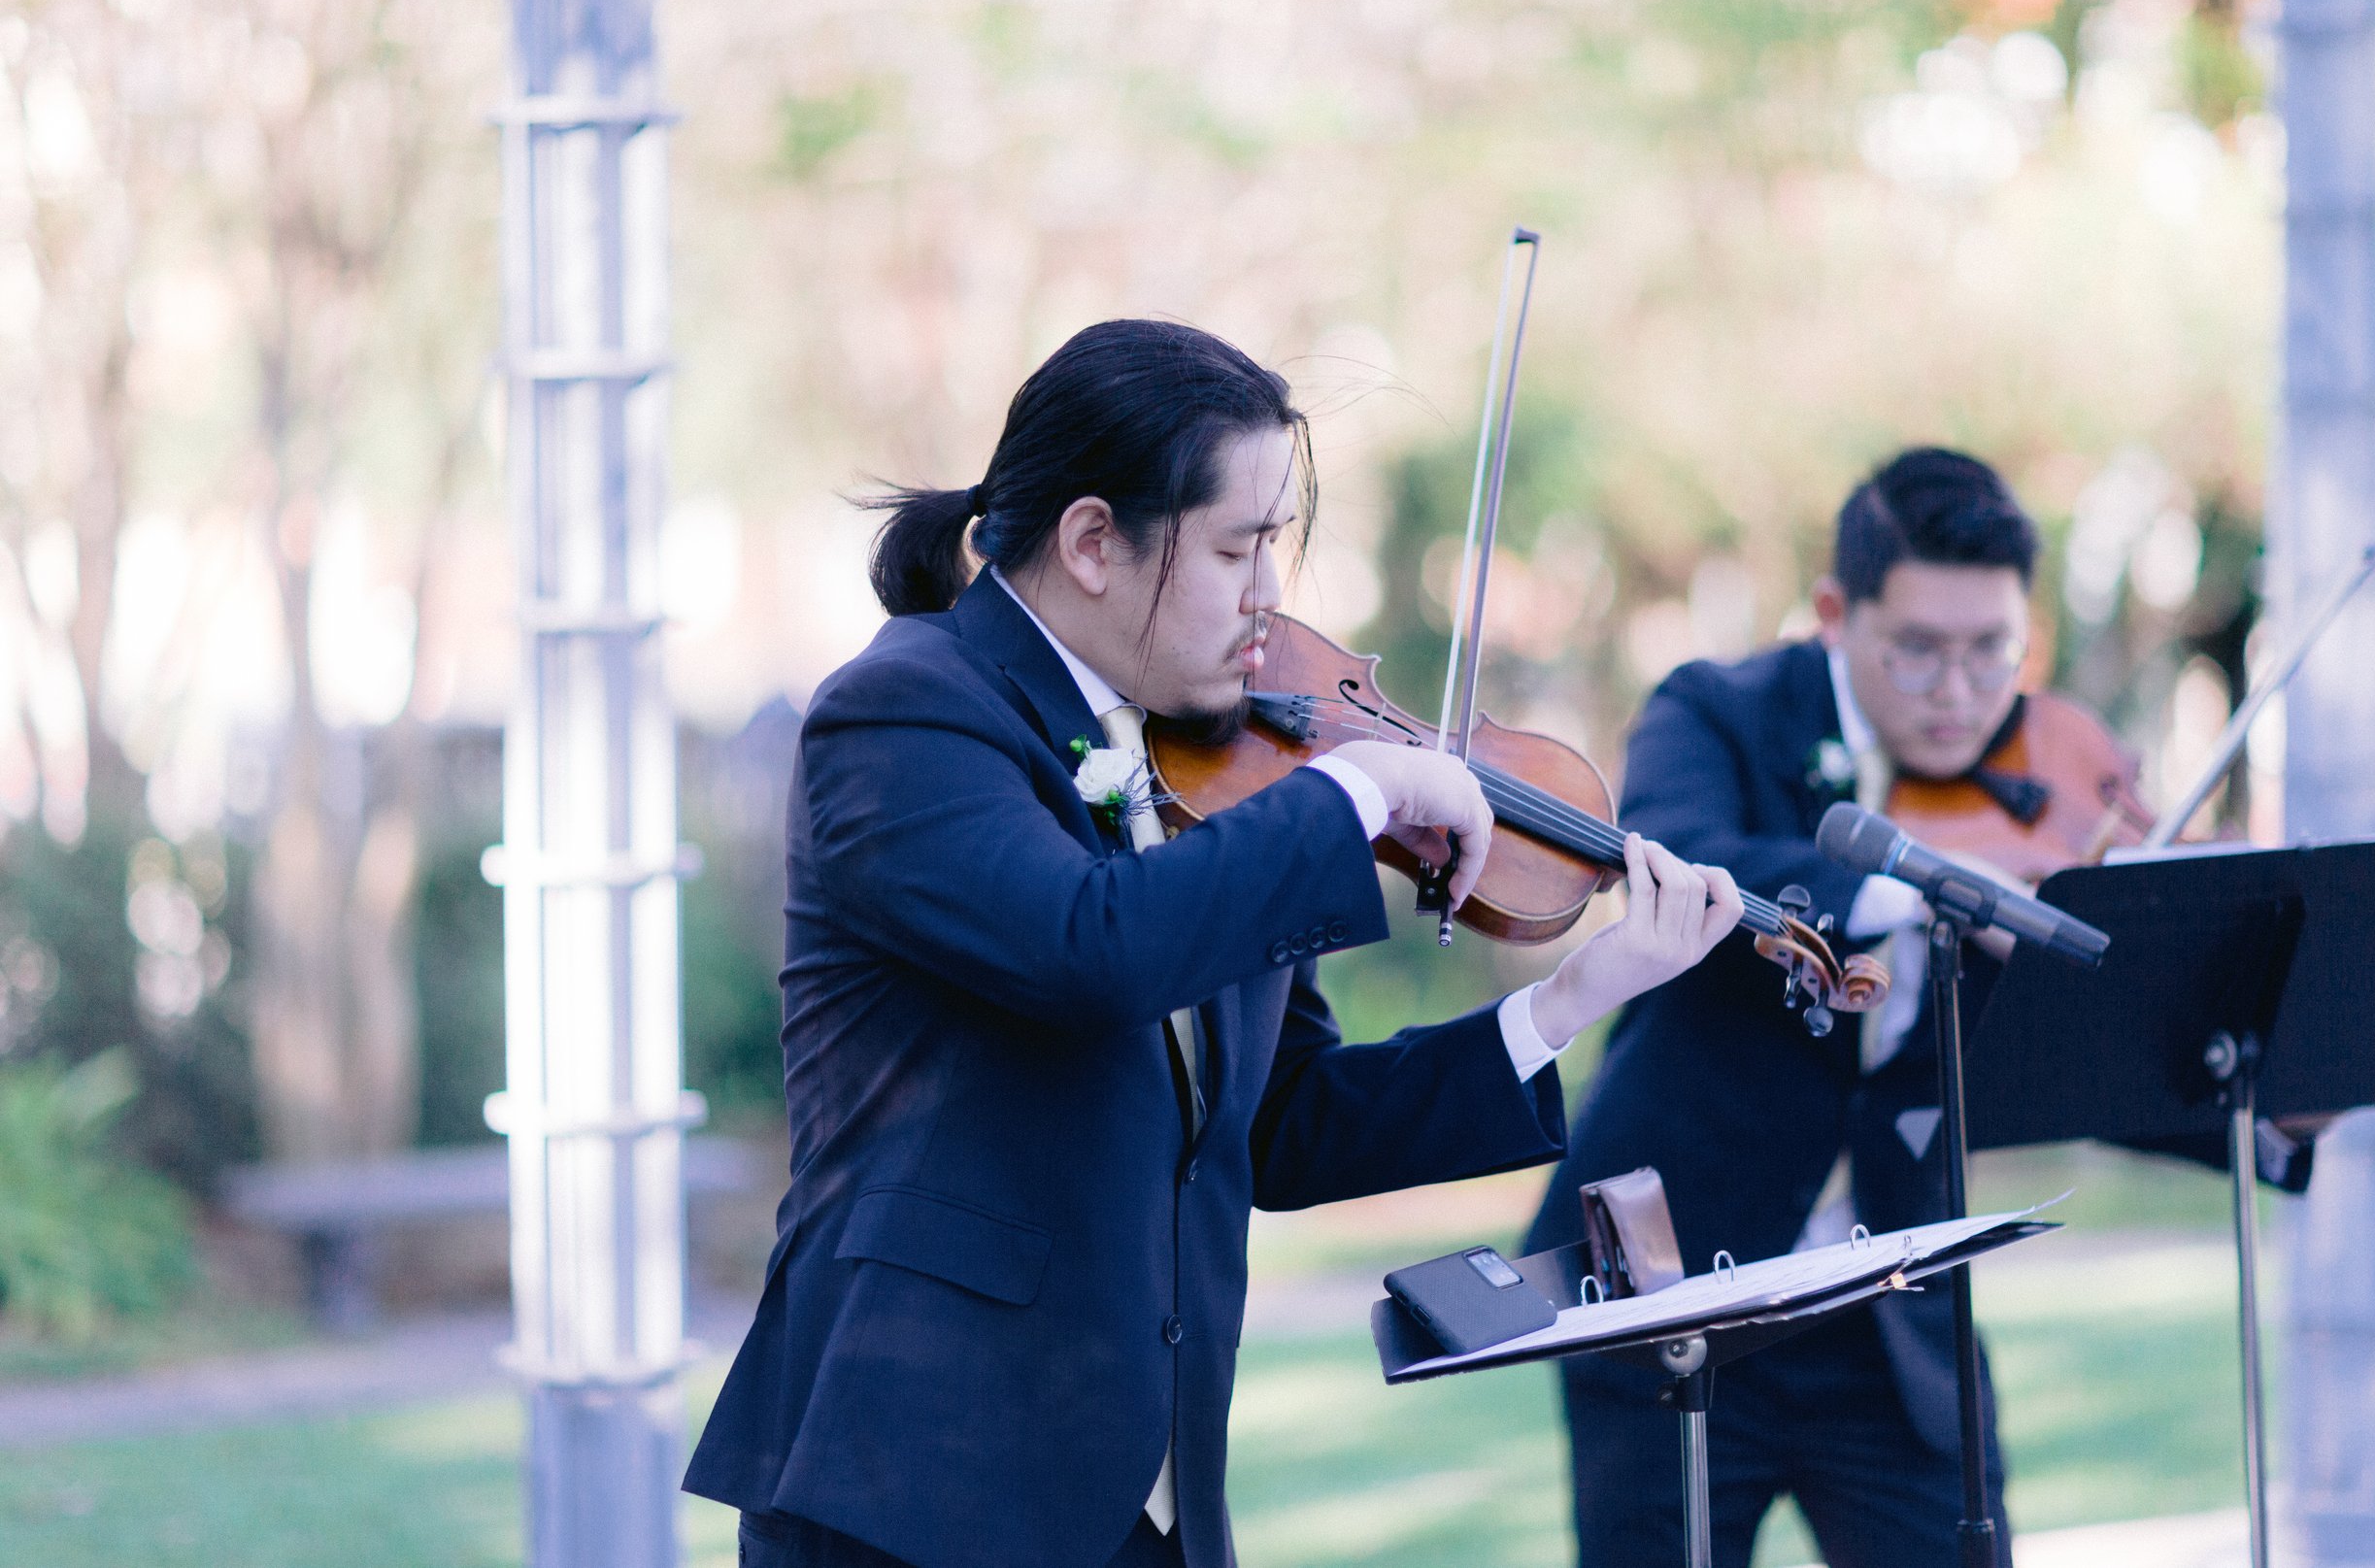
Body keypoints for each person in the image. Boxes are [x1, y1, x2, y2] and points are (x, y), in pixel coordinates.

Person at [682, 318, 1744, 1568]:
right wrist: (1352, 794)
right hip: (918, 1490)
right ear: (1090, 541)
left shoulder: (1215, 768)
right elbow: (1091, 949)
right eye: (1236, 548)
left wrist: (1567, 998)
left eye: (1274, 548)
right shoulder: (906, 711)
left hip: (1153, 1507)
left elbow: (1281, 1121)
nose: (1268, 599)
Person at [1530, 446, 2304, 1568]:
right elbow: (1687, 855)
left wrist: (2274, 1109)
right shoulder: (1718, 711)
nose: (1958, 691)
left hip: (1892, 1327)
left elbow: (2067, 1047)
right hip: (1670, 1297)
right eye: (1918, 651)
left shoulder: (2050, 780)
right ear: (1838, 612)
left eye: (1990, 649)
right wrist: (1930, 879)